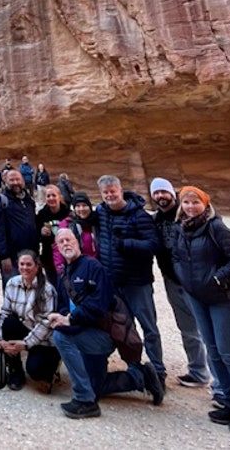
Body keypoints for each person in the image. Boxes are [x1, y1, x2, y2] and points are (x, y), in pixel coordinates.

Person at [169, 186, 230, 437]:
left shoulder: (217, 228)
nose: (190, 207)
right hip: (197, 299)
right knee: (213, 352)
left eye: (195, 202)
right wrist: (186, 281)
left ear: (205, 204)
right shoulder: (182, 228)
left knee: (229, 354)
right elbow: (178, 258)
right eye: (186, 203)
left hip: (223, 300)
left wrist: (216, 280)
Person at [48, 228, 163, 419]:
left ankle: (85, 400)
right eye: (61, 242)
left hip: (102, 334)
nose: (65, 244)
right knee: (96, 386)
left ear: (78, 242)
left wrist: (70, 321)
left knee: (60, 336)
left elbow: (98, 307)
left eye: (69, 240)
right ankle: (140, 377)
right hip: (84, 332)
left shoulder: (93, 267)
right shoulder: (64, 275)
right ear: (57, 248)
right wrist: (60, 317)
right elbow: (62, 306)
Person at [95, 175, 165, 385]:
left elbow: (153, 245)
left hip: (137, 282)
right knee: (123, 327)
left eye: (112, 191)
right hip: (114, 282)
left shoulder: (139, 216)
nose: (110, 195)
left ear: (120, 189)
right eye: (105, 193)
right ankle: (135, 366)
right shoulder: (102, 213)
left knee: (148, 326)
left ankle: (158, 372)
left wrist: (126, 244)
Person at [149, 177, 210, 389]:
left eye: (163, 192)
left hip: (195, 281)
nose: (160, 196)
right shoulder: (156, 220)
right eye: (156, 193)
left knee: (208, 329)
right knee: (188, 328)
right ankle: (199, 371)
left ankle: (221, 383)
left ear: (172, 193)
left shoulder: (188, 215)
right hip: (172, 281)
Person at [0, 250, 60, 390]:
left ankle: (52, 368)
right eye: (22, 264)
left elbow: (45, 324)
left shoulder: (47, 290)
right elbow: (5, 312)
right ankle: (15, 371)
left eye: (29, 264)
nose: (25, 267)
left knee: (36, 371)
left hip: (43, 338)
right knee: (9, 323)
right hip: (25, 328)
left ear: (37, 266)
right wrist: (0, 339)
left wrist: (25, 344)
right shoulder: (12, 283)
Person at [0, 169, 38, 284]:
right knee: (13, 292)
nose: (15, 182)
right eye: (12, 180)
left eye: (18, 179)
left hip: (30, 255)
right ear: (5, 181)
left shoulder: (28, 200)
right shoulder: (0, 200)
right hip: (11, 257)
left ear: (23, 181)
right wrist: (4, 256)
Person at [54, 193, 100, 275]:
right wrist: (60, 268)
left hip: (97, 266)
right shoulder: (67, 224)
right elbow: (58, 247)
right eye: (78, 206)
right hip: (76, 267)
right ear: (74, 209)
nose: (81, 209)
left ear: (89, 206)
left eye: (84, 205)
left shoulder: (97, 221)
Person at [35, 185, 71, 281]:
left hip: (66, 256)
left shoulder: (68, 213)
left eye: (54, 195)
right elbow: (36, 233)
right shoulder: (41, 215)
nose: (51, 198)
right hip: (48, 257)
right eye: (48, 196)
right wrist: (41, 232)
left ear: (59, 196)